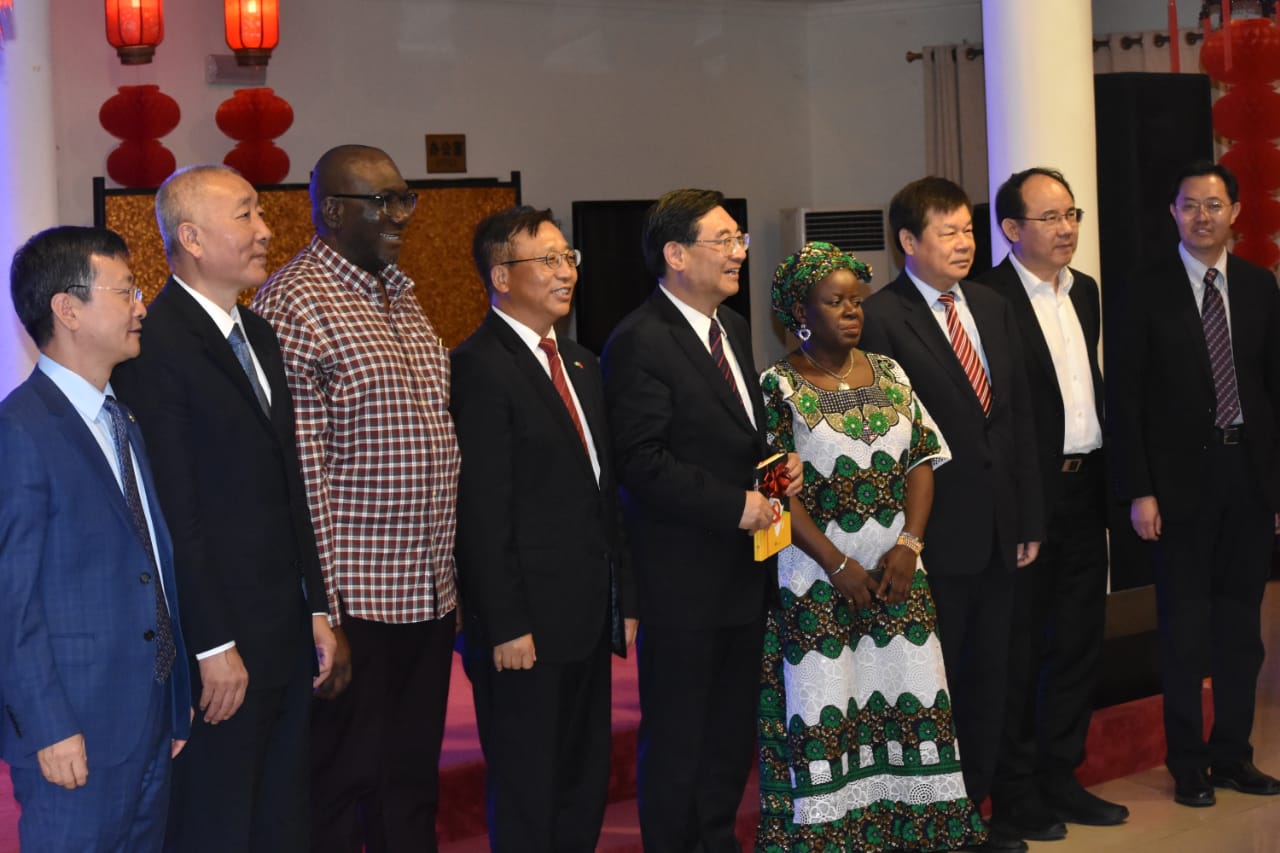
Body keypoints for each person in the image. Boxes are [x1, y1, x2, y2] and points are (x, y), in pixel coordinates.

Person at [111, 165, 336, 853]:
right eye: (246, 214)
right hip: (221, 643)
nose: (266, 230)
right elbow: (174, 510)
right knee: (219, 821)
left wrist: (317, 606)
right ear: (192, 238)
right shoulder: (154, 343)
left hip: (284, 627)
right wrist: (209, 642)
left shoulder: (260, 334)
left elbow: (291, 483)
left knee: (282, 818)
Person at [251, 144, 461, 852]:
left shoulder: (399, 291)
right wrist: (326, 616)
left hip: (427, 592)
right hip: (358, 603)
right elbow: (302, 475)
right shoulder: (295, 301)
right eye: (385, 202)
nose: (402, 215)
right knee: (341, 786)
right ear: (335, 212)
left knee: (411, 783)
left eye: (406, 198)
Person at [754, 241, 987, 852]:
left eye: (856, 300)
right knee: (830, 709)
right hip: (815, 583)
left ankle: (913, 833)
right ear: (799, 312)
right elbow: (776, 495)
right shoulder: (776, 387)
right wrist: (836, 564)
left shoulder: (891, 372)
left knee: (909, 700)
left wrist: (909, 545)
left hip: (896, 577)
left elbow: (922, 462)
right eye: (836, 302)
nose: (852, 311)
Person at [601, 188, 800, 852]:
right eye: (725, 240)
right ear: (676, 254)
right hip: (681, 580)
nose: (739, 251)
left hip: (743, 575)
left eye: (740, 239)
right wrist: (735, 505)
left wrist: (778, 472)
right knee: (680, 739)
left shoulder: (732, 327)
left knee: (726, 739)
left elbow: (742, 440)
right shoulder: (640, 340)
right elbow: (641, 461)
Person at [860, 176, 1043, 853]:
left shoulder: (992, 306)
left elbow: (1015, 418)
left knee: (989, 677)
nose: (965, 242)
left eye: (969, 229)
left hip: (998, 528)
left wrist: (1028, 516)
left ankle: (972, 811)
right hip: (928, 538)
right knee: (933, 685)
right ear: (909, 241)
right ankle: (931, 819)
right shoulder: (880, 318)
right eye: (949, 232)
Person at [451, 206, 638, 851]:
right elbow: (481, 510)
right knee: (529, 790)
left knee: (582, 783)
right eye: (548, 260)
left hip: (586, 616)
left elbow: (606, 491)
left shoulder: (580, 362)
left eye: (568, 258)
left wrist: (624, 598)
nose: (566, 272)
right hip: (523, 626)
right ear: (501, 276)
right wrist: (504, 622)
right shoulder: (478, 366)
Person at [0, 226, 191, 851]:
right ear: (68, 309)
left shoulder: (121, 418)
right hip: (73, 727)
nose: (142, 306)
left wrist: (175, 694)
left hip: (146, 711)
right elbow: (10, 602)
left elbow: (149, 562)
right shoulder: (20, 430)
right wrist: (47, 726)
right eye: (126, 290)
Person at [1107, 161, 1280, 808]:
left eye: (1213, 205)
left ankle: (1233, 755)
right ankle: (1188, 764)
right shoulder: (1142, 289)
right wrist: (1140, 489)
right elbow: (1125, 398)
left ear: (1235, 212)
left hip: (1249, 480)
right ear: (1173, 213)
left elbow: (1273, 388)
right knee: (1184, 630)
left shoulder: (1260, 285)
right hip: (1177, 488)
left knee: (1242, 631)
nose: (1201, 216)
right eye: (1189, 205)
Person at [973, 168, 1128, 839]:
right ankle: (1014, 790)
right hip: (1025, 497)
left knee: (1077, 641)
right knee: (1019, 646)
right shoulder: (989, 299)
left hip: (1084, 487)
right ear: (1012, 229)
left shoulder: (1084, 290)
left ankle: (1062, 776)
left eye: (1072, 215)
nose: (1067, 229)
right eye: (1051, 218)